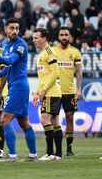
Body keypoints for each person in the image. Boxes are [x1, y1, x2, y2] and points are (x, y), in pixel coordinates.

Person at [0, 18, 38, 162]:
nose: (15, 31)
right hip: (15, 86)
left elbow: (10, 60)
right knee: (24, 123)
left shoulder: (21, 45)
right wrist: (0, 74)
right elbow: (9, 66)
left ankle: (11, 155)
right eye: (12, 28)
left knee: (4, 119)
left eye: (17, 28)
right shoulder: (5, 44)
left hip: (19, 86)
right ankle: (33, 155)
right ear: (5, 30)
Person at [32, 28, 63, 161]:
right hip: (49, 92)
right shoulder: (42, 54)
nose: (34, 40)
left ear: (44, 38)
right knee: (55, 122)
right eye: (33, 38)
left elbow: (54, 73)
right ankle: (58, 154)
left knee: (44, 119)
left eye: (36, 38)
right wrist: (37, 92)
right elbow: (43, 77)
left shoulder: (50, 52)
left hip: (51, 93)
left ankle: (50, 153)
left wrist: (43, 90)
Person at [53, 26, 82, 156]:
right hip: (54, 91)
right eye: (62, 35)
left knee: (69, 117)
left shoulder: (75, 52)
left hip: (69, 91)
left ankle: (69, 148)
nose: (64, 37)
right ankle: (56, 148)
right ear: (58, 37)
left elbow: (79, 71)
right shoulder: (52, 51)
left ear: (69, 36)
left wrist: (79, 89)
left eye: (66, 35)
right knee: (54, 119)